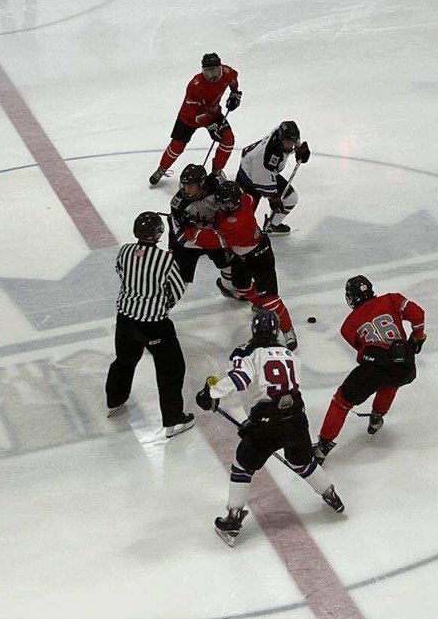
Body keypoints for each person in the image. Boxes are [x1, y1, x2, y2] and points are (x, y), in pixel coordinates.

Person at [197, 309, 344, 547]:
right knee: (302, 461)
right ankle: (330, 493)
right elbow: (280, 386)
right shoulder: (290, 354)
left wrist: (211, 392)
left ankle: (233, 518)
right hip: (296, 418)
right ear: (276, 331)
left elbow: (240, 380)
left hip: (267, 423)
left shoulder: (248, 352)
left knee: (242, 465)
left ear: (255, 329)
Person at [314, 276, 426, 463]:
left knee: (342, 401)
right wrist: (417, 337)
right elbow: (418, 314)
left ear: (350, 297)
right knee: (392, 379)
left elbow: (363, 349)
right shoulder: (392, 299)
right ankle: (377, 418)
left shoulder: (347, 326)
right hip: (405, 365)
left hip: (375, 365)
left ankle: (323, 446)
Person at [105, 212, 195, 438]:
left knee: (124, 360)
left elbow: (120, 272)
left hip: (125, 319)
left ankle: (114, 400)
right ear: (158, 234)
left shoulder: (125, 250)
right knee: (171, 369)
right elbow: (176, 290)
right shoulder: (166, 260)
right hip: (154, 325)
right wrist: (160, 306)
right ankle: (173, 419)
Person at [211, 181, 298, 350]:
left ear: (236, 201)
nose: (223, 206)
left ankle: (287, 330)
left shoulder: (235, 224)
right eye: (221, 202)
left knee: (271, 300)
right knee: (241, 286)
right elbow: (250, 196)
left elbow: (213, 239)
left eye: (227, 203)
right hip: (241, 255)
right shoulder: (245, 199)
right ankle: (259, 304)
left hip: (260, 256)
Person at [149, 52, 242, 185]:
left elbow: (233, 81)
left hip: (213, 113)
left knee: (228, 139)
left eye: (215, 70)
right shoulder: (195, 85)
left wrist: (235, 93)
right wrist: (211, 126)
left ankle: (216, 172)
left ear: (221, 67)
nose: (213, 75)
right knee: (177, 146)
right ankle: (161, 169)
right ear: (203, 71)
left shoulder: (228, 72)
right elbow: (196, 115)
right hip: (189, 117)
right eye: (208, 72)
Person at [169, 163, 235, 291]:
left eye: (191, 186)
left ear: (202, 183)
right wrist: (172, 246)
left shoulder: (217, 184)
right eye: (184, 185)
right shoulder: (178, 203)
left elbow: (234, 199)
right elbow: (175, 229)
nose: (186, 189)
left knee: (229, 266)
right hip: (192, 241)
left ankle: (228, 287)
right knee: (181, 276)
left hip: (214, 236)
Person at [238, 121, 309, 236]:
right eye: (289, 142)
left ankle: (272, 225)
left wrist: (300, 150)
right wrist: (274, 199)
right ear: (281, 139)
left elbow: (293, 141)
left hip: (268, 173)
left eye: (294, 141)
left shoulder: (282, 134)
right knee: (242, 221)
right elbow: (261, 180)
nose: (292, 145)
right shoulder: (265, 158)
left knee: (290, 199)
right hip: (249, 177)